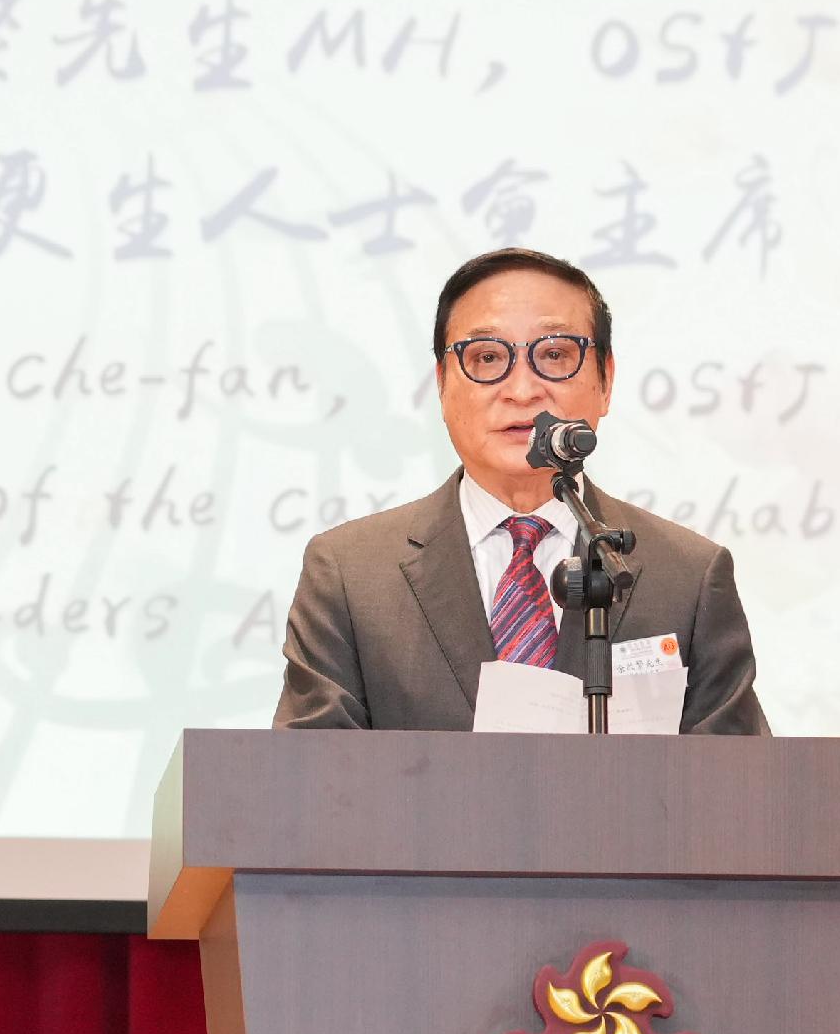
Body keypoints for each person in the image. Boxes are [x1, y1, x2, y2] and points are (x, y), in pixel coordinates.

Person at [272, 247, 767, 733]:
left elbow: (738, 792)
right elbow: (308, 786)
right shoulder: (349, 574)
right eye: (487, 357)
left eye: (554, 355)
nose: (523, 390)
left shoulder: (689, 576)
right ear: (442, 383)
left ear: (606, 381)